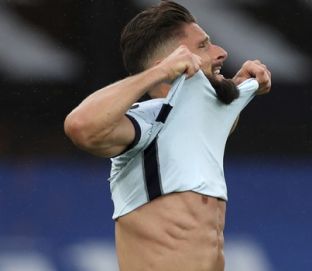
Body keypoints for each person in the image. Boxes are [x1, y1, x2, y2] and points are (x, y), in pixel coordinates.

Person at [64, 1, 271, 271]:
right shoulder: (147, 119)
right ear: (174, 66)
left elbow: (208, 123)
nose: (221, 52)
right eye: (203, 46)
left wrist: (238, 88)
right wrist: (159, 73)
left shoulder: (201, 123)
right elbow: (79, 126)